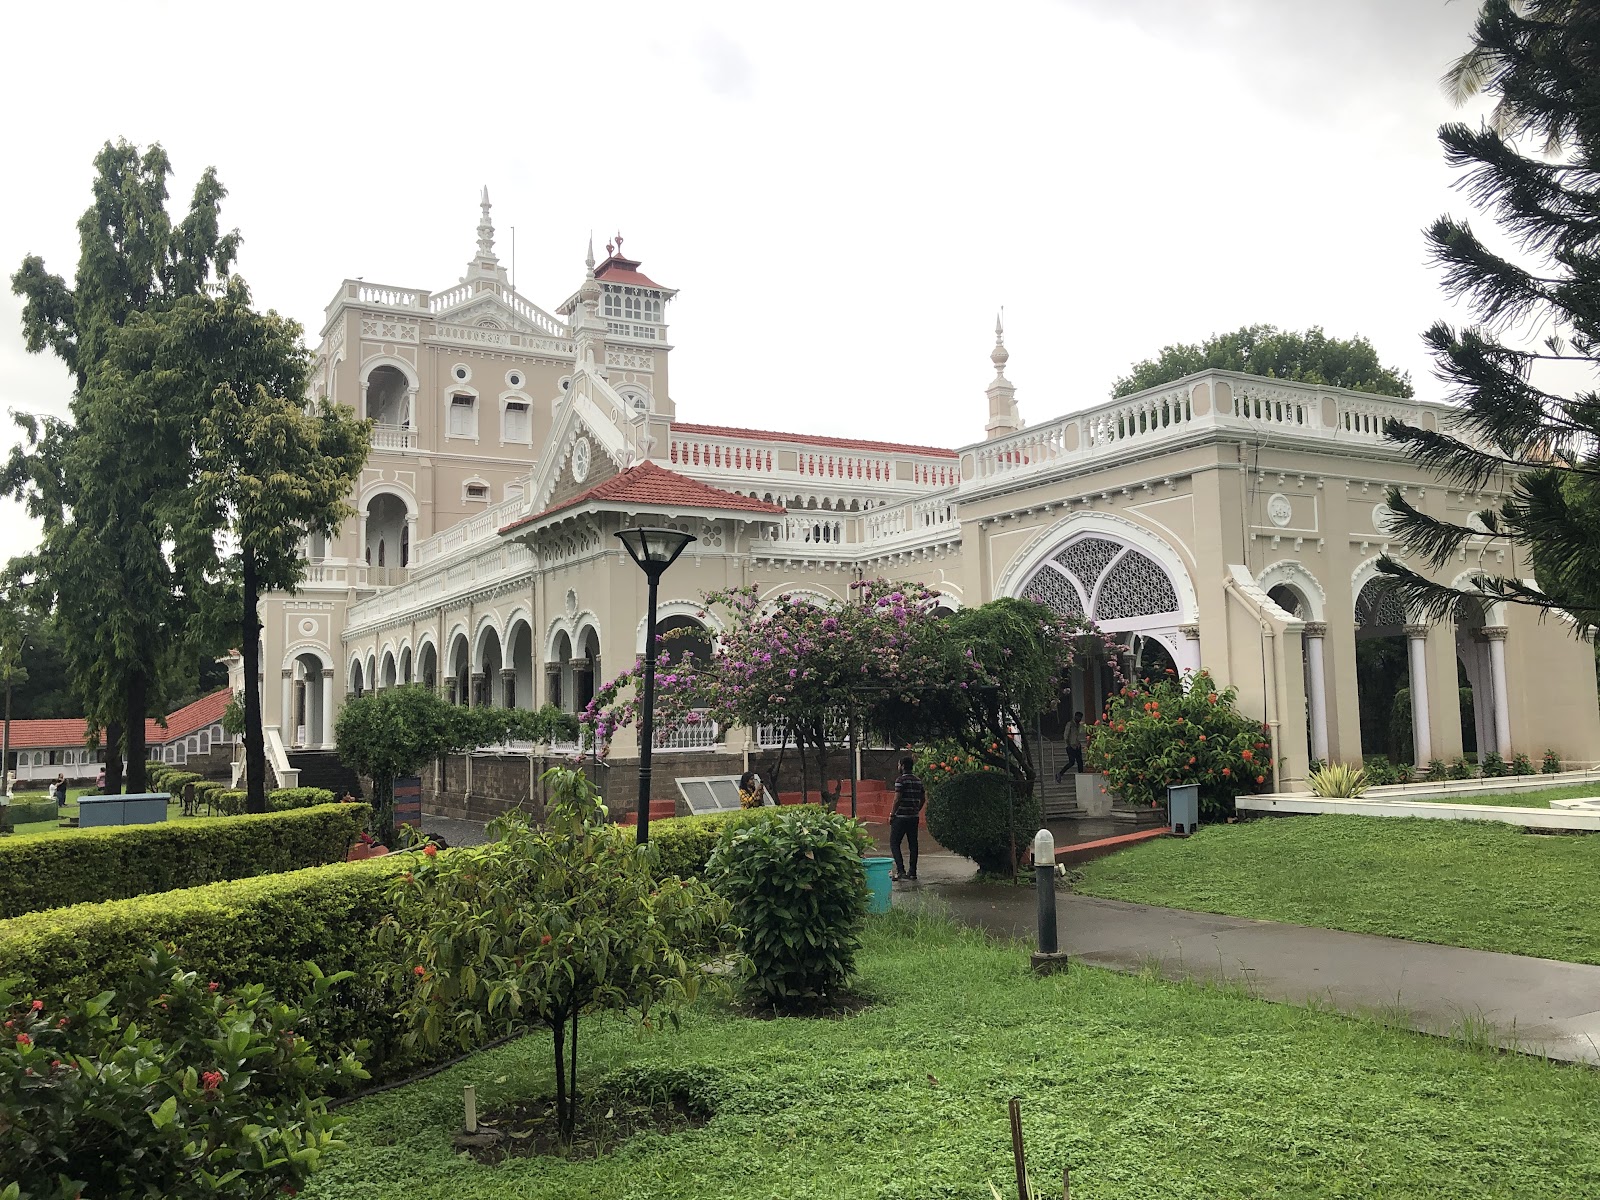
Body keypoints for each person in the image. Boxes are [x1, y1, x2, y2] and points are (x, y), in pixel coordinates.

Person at [889, 755, 925, 882]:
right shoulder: (918, 781)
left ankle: (901, 870)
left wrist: (892, 814)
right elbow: (923, 799)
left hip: (900, 817)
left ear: (903, 766)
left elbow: (897, 798)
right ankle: (912, 872)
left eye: (899, 764)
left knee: (894, 843)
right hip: (913, 817)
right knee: (913, 844)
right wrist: (916, 809)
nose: (898, 767)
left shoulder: (900, 780)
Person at [1054, 712, 1086, 783]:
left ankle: (1081, 777)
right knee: (1071, 762)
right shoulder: (1070, 724)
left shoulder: (1078, 725)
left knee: (1080, 762)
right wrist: (1068, 745)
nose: (1079, 719)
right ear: (1075, 716)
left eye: (1080, 718)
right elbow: (1066, 735)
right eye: (1078, 717)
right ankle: (1060, 773)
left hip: (1077, 745)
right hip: (1070, 746)